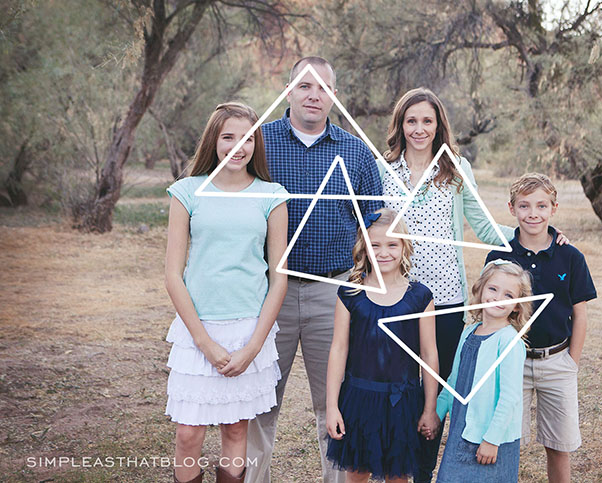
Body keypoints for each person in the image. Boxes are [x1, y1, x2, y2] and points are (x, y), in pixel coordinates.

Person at [380, 87, 570, 482]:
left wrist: (537, 234)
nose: (419, 128)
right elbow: (373, 228)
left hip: (445, 299)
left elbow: (483, 225)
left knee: (437, 390)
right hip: (397, 295)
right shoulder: (384, 168)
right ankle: (395, 469)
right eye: (411, 120)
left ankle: (424, 472)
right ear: (400, 123)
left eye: (427, 121)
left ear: (438, 126)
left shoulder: (454, 168)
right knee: (397, 390)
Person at [246, 57, 383, 483]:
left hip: (335, 292)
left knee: (334, 403)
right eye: (305, 86)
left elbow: (373, 224)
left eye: (323, 88)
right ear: (288, 91)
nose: (313, 94)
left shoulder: (356, 151)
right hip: (271, 291)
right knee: (259, 403)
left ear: (333, 97)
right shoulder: (260, 143)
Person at [164, 103, 289, 482]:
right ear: (213, 141)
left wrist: (252, 347)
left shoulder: (272, 196)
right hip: (198, 331)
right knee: (188, 433)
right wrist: (204, 344)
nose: (238, 146)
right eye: (228, 137)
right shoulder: (187, 192)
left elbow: (278, 278)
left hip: (247, 330)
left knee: (236, 430)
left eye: (248, 138)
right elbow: (173, 275)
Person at [485, 173, 597, 483]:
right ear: (512, 209)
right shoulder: (499, 257)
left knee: (558, 445)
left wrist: (571, 361)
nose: (533, 214)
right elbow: (489, 314)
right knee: (505, 442)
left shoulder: (570, 256)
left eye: (541, 206)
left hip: (557, 360)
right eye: (524, 206)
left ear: (554, 208)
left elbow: (580, 313)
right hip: (511, 362)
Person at [325, 208, 439, 481]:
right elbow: (338, 349)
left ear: (404, 247)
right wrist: (331, 406)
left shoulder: (420, 297)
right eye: (374, 245)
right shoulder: (350, 294)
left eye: (392, 244)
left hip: (403, 402)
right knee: (357, 472)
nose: (383, 252)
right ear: (363, 247)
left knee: (398, 476)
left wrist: (429, 407)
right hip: (359, 399)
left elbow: (429, 353)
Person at [432, 259, 532, 482]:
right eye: (493, 289)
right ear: (480, 289)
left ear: (517, 305)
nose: (497, 298)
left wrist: (492, 440)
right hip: (462, 432)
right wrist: (436, 415)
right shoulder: (469, 332)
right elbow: (454, 380)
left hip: (491, 440)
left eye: (508, 295)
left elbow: (510, 397)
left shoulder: (508, 342)